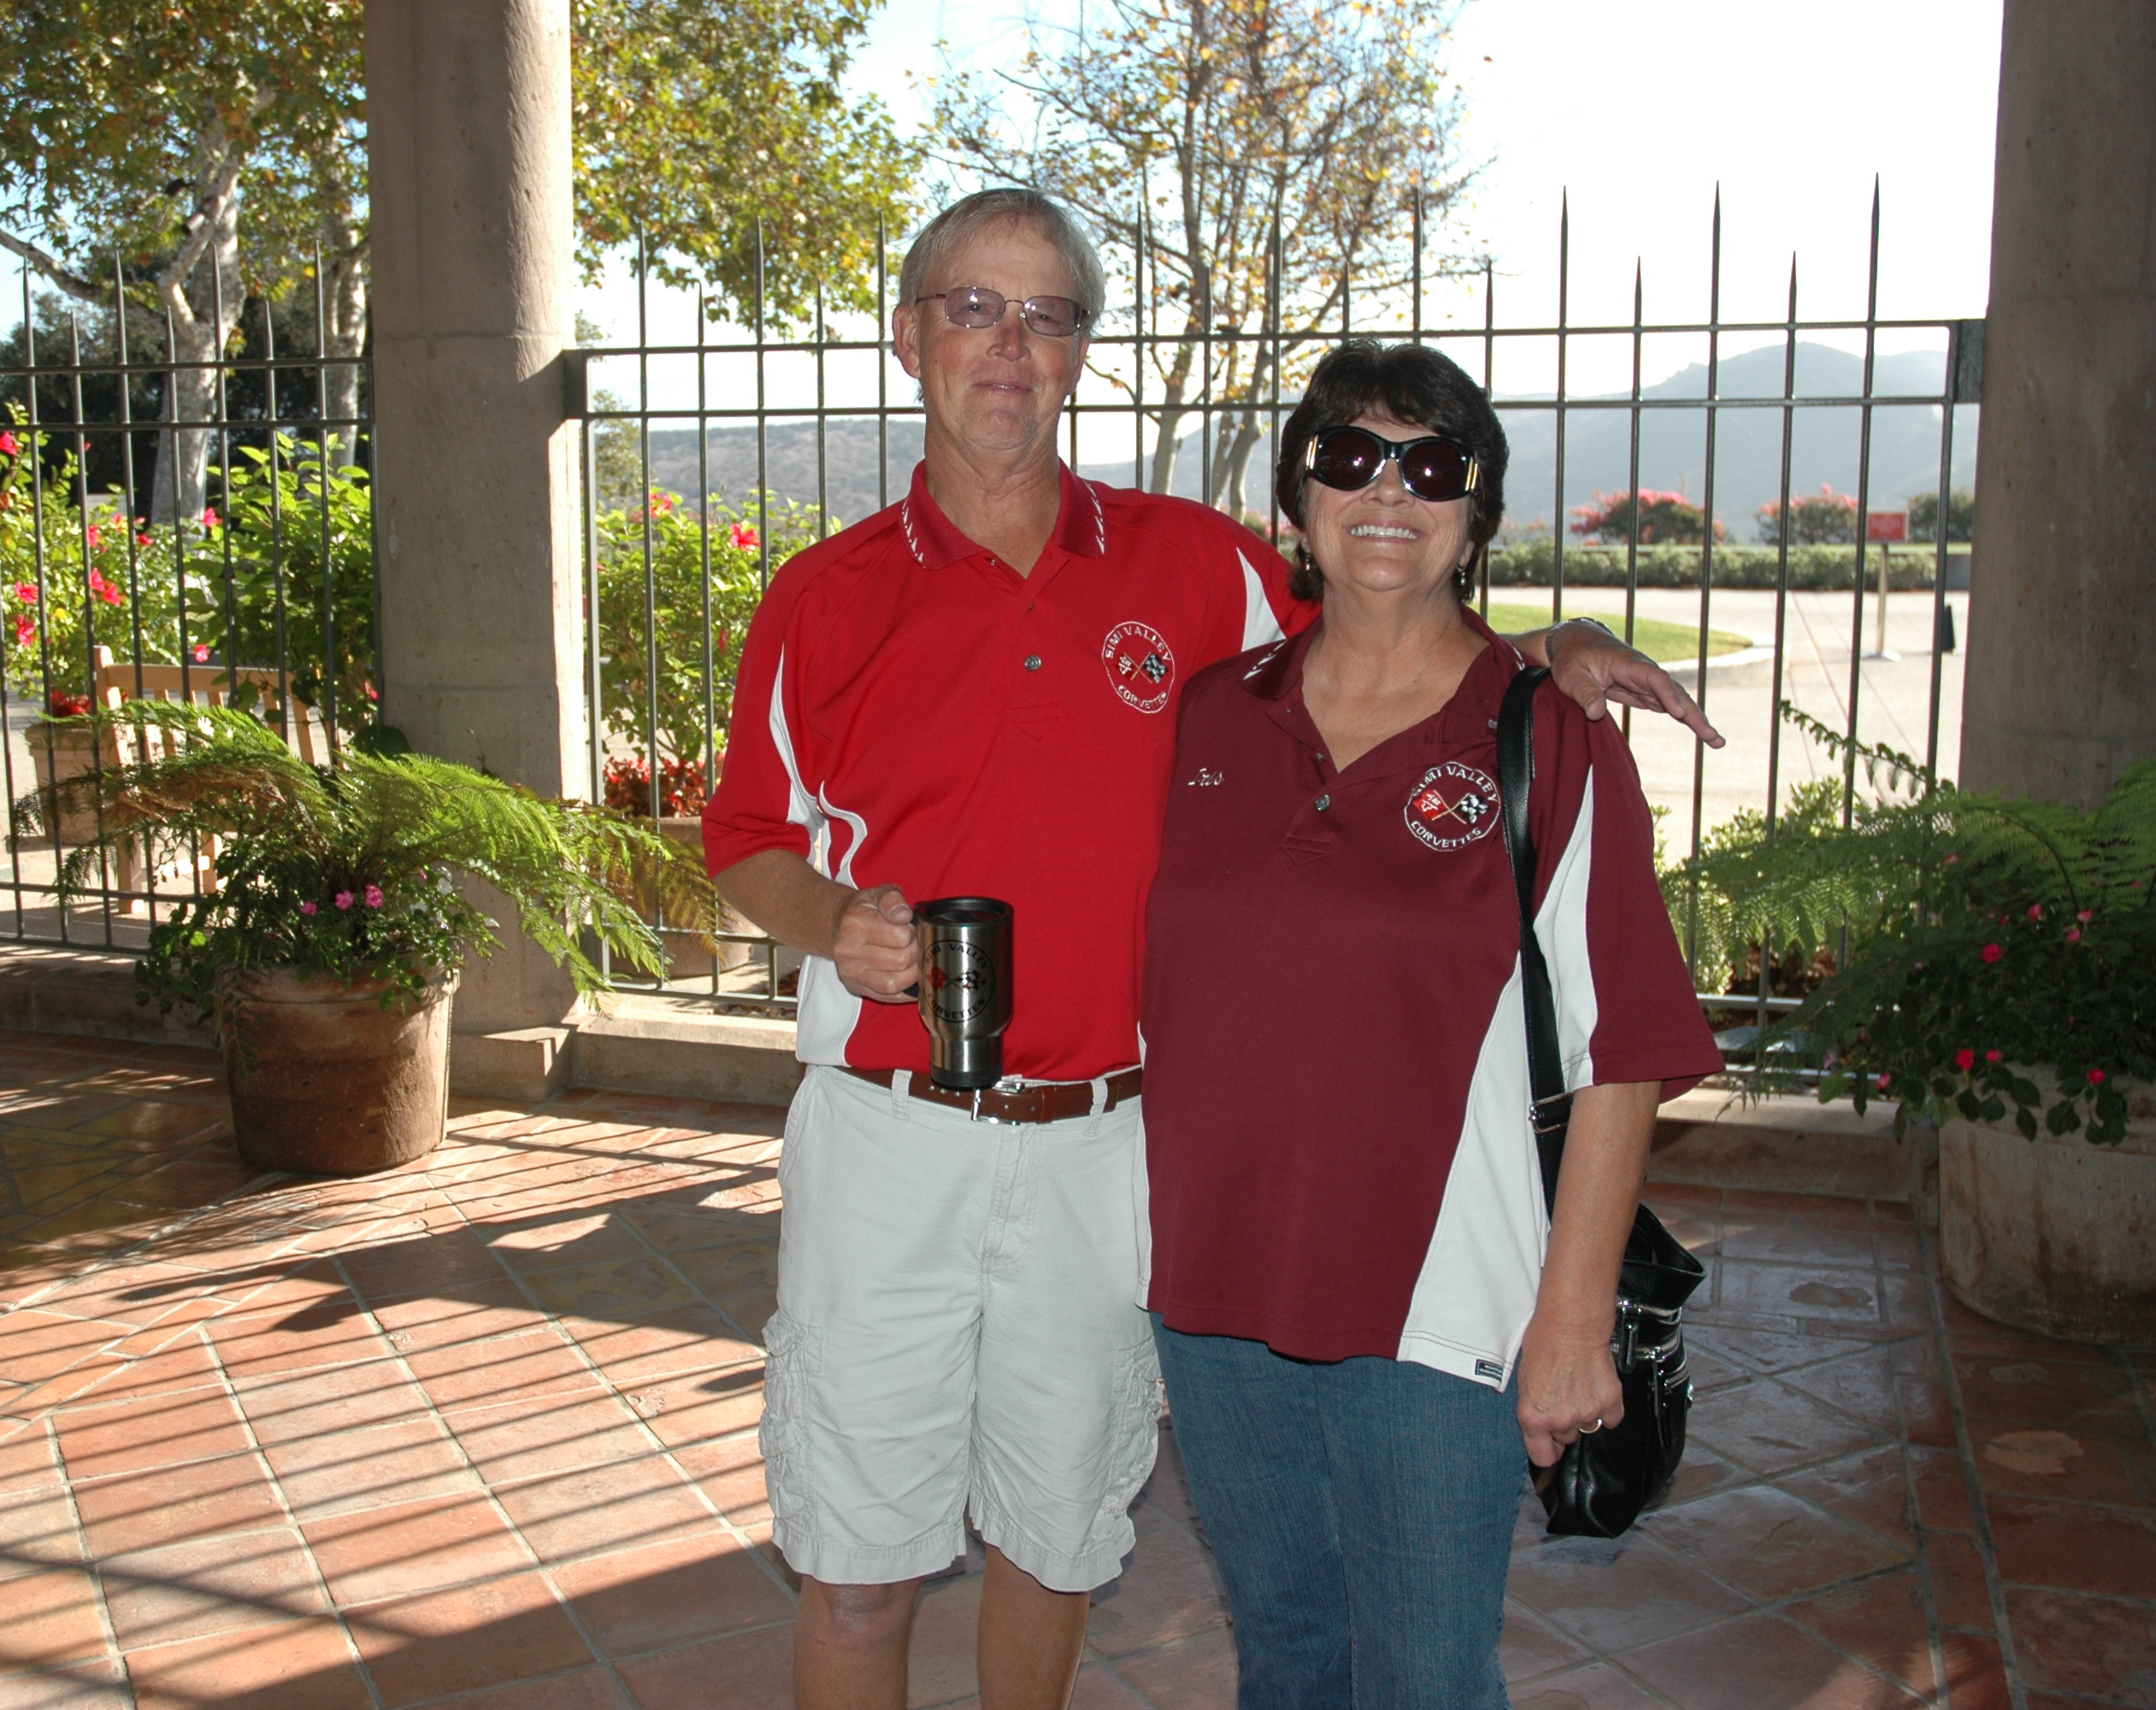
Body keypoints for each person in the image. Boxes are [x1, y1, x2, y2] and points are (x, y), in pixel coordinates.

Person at [701, 192, 1720, 1710]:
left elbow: (1391, 590)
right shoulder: (820, 598)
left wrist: (1548, 651)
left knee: (1058, 1542)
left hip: (1110, 1153)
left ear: (1082, 357)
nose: (1011, 346)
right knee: (856, 1568)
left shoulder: (1195, 566)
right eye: (975, 308)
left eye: (1048, 317)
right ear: (911, 336)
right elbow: (746, 841)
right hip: (888, 1140)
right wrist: (828, 923)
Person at [1138, 338, 1727, 1709]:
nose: (1385, 490)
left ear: (1476, 512)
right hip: (1212, 1299)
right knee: (1285, 1656)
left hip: (1438, 1310)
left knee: (1421, 1677)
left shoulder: (1547, 741)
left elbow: (1623, 1052)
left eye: (1431, 464)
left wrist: (1572, 1322)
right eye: (1347, 457)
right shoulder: (1214, 715)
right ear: (1296, 499)